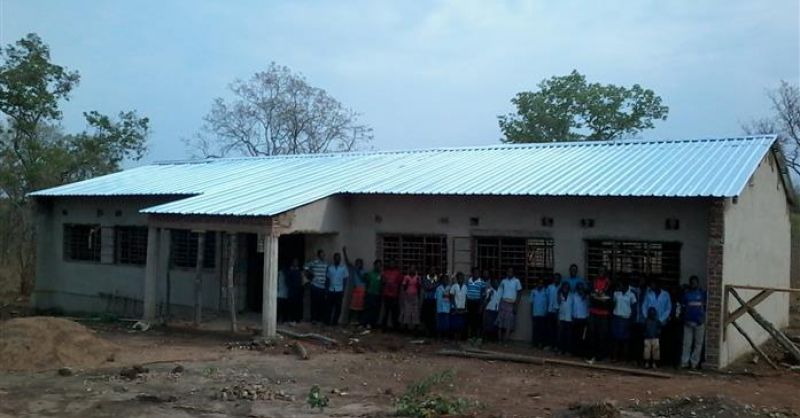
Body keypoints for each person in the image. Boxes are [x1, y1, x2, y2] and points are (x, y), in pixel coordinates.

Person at [681, 276, 707, 369]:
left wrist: (703, 318)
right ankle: (685, 363)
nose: (693, 284)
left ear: (698, 283)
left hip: (699, 323)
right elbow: (682, 308)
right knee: (687, 344)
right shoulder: (686, 294)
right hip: (688, 323)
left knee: (698, 344)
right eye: (692, 282)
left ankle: (694, 363)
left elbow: (706, 307)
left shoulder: (702, 294)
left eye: (695, 282)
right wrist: (684, 319)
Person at [611, 280, 638, 361]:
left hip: (626, 318)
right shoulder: (616, 293)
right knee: (616, 339)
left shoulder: (632, 294)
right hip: (617, 317)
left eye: (622, 285)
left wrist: (631, 320)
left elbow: (634, 308)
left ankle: (625, 358)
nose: (621, 287)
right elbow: (613, 304)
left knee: (626, 339)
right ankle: (615, 357)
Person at [587, 282, 613, 363]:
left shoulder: (608, 296)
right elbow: (592, 302)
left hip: (603, 317)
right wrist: (599, 300)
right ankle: (591, 355)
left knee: (602, 337)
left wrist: (601, 301)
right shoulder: (593, 294)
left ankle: (600, 356)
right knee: (592, 336)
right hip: (594, 315)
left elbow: (609, 306)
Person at [496, 267, 523, 342]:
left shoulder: (516, 281)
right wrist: (498, 304)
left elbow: (519, 293)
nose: (509, 273)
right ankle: (499, 340)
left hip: (511, 304)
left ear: (513, 273)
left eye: (511, 272)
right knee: (500, 323)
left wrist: (516, 305)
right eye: (508, 271)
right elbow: (500, 293)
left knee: (508, 323)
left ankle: (505, 340)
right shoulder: (503, 281)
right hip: (503, 303)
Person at [304, 249, 328, 324]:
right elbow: (305, 267)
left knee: (321, 303)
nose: (323, 255)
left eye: (324, 254)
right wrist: (309, 276)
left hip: (322, 286)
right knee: (314, 303)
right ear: (319, 255)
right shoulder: (315, 262)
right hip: (315, 285)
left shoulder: (326, 263)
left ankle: (319, 319)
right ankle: (313, 319)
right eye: (322, 254)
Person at [343, 247, 365, 325]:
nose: (358, 265)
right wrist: (344, 252)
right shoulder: (353, 269)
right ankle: (349, 322)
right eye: (357, 263)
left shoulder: (364, 271)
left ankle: (359, 322)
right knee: (352, 307)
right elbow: (347, 262)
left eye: (360, 263)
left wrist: (358, 271)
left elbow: (363, 279)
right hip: (355, 290)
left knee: (360, 307)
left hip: (362, 290)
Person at [325, 252, 349, 325]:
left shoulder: (343, 268)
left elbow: (345, 280)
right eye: (336, 258)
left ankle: (335, 323)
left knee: (338, 308)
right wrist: (326, 290)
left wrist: (343, 290)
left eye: (339, 258)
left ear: (340, 259)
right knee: (329, 308)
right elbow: (327, 279)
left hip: (339, 290)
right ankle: (328, 322)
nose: (337, 259)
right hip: (331, 290)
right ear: (334, 259)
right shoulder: (330, 268)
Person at [381, 260, 403, 331]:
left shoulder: (398, 272)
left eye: (393, 263)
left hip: (394, 295)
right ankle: (384, 327)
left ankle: (395, 327)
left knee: (395, 312)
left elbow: (399, 284)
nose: (392, 264)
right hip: (386, 294)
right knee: (386, 312)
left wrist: (398, 294)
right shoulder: (385, 272)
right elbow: (383, 283)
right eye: (390, 263)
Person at [398, 265, 422, 331]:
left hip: (415, 296)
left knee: (415, 312)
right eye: (411, 269)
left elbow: (419, 287)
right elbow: (404, 287)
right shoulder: (406, 277)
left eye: (413, 269)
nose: (412, 270)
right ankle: (406, 327)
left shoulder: (417, 277)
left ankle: (415, 327)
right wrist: (407, 283)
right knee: (407, 311)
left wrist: (418, 295)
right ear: (409, 270)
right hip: (407, 296)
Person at [465, 268, 487, 338]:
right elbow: (466, 292)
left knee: (478, 321)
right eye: (475, 272)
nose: (476, 274)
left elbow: (483, 295)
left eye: (478, 273)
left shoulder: (482, 282)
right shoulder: (468, 281)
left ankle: (477, 337)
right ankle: (469, 337)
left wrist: (481, 305)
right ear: (472, 273)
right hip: (469, 302)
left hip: (477, 303)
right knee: (469, 320)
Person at [571, 282, 590, 357]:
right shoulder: (573, 296)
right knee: (575, 336)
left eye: (581, 289)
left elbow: (589, 308)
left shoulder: (587, 297)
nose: (580, 290)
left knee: (583, 337)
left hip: (584, 319)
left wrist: (585, 295)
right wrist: (572, 318)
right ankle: (575, 352)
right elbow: (572, 307)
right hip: (576, 319)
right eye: (579, 288)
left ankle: (582, 352)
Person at [363, 260, 383, 328]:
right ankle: (366, 324)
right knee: (368, 309)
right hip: (370, 293)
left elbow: (382, 285)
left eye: (379, 265)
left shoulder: (381, 275)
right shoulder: (369, 274)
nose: (378, 266)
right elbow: (366, 282)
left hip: (377, 295)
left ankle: (373, 324)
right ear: (374, 265)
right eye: (377, 265)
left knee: (375, 311)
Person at [449, 272, 468, 340]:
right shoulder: (454, 286)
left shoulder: (465, 287)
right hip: (455, 308)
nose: (461, 279)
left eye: (462, 278)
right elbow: (452, 297)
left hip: (462, 308)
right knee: (454, 325)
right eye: (459, 278)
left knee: (460, 325)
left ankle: (459, 340)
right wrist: (455, 307)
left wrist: (466, 307)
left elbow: (466, 298)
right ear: (457, 279)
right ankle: (454, 339)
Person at [284, 258, 304, 322]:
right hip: (292, 290)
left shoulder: (300, 270)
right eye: (295, 262)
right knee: (292, 305)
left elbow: (303, 280)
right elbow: (287, 281)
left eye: (297, 262)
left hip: (299, 290)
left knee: (298, 305)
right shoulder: (290, 270)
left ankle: (297, 319)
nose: (296, 263)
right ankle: (291, 319)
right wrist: (291, 286)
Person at [530, 279, 548, 348]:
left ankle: (541, 344)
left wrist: (546, 312)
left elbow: (547, 302)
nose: (540, 284)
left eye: (542, 283)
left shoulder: (546, 291)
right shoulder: (533, 292)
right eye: (539, 283)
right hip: (535, 313)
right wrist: (531, 313)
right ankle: (535, 343)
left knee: (542, 330)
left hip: (543, 314)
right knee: (535, 329)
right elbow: (531, 303)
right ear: (537, 284)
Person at [556, 282, 573, 354]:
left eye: (567, 287)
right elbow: (557, 308)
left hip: (569, 319)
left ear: (569, 289)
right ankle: (560, 350)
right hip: (561, 318)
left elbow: (574, 307)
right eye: (564, 287)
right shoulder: (559, 296)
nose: (565, 288)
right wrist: (558, 319)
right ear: (562, 288)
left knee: (568, 336)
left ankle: (567, 350)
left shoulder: (572, 296)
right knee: (560, 335)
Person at [421, 268, 439, 336]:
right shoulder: (425, 278)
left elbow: (436, 286)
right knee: (426, 317)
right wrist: (434, 285)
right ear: (428, 271)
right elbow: (427, 287)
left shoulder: (436, 278)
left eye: (434, 270)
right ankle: (426, 332)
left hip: (434, 300)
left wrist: (433, 286)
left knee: (433, 317)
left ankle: (432, 332)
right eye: (431, 270)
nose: (432, 271)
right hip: (427, 300)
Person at [545, 274, 560, 349]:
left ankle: (556, 346)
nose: (556, 279)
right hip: (550, 311)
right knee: (549, 329)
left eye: (558, 278)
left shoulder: (561, 287)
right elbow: (546, 299)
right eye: (555, 278)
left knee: (557, 330)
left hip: (558, 312)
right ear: (553, 279)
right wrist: (546, 309)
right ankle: (549, 345)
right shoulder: (549, 287)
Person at [435, 274, 451, 339]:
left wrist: (446, 296)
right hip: (439, 308)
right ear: (441, 280)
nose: (445, 281)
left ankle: (446, 336)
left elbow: (451, 297)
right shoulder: (438, 288)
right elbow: (436, 298)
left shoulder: (450, 288)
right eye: (443, 279)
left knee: (446, 323)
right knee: (439, 323)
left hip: (447, 308)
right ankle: (439, 336)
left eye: (446, 279)